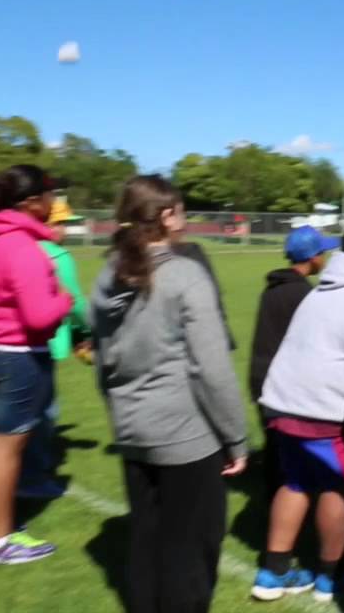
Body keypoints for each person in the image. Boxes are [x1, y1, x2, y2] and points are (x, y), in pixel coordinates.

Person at [92, 175, 247, 613]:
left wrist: (121, 412)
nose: (186, 219)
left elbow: (104, 363)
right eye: (180, 210)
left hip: (133, 430)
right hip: (186, 438)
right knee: (191, 547)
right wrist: (236, 438)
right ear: (165, 216)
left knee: (147, 535)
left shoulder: (109, 270)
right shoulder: (183, 274)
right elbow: (212, 369)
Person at [0, 165, 72, 565]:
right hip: (14, 355)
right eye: (50, 195)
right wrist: (66, 301)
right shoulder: (21, 246)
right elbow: (40, 317)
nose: (54, 203)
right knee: (7, 446)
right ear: (31, 202)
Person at [253, 221, 344, 604]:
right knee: (335, 488)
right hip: (324, 410)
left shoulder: (318, 291)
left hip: (283, 402)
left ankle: (272, 572)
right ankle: (328, 578)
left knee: (296, 482)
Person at [249, 225, 337, 496]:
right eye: (323, 252)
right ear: (313, 258)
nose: (325, 257)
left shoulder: (273, 289)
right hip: (281, 383)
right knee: (285, 456)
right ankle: (282, 511)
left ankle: (274, 505)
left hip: (260, 376)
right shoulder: (303, 295)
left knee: (275, 448)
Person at [15, 200, 92, 500]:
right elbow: (74, 302)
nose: (63, 230)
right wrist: (86, 332)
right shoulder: (57, 255)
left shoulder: (15, 247)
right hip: (42, 341)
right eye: (57, 223)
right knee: (44, 412)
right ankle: (32, 477)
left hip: (7, 343)